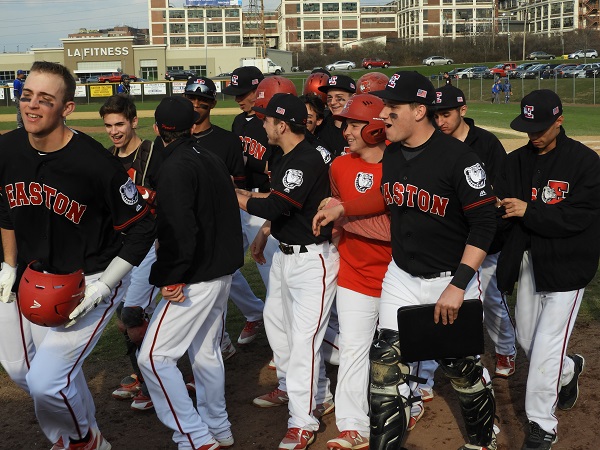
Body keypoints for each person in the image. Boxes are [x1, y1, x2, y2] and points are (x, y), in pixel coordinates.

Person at [313, 71, 498, 450]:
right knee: (385, 366)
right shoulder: (394, 153)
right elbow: (385, 195)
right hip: (400, 274)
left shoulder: (459, 159)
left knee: (460, 369)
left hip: (448, 277)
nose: (384, 117)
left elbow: (484, 225)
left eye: (392, 109)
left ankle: (482, 441)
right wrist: (343, 208)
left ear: (419, 110)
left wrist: (458, 285)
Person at [0, 61, 155, 450]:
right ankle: (84, 435)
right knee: (24, 372)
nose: (32, 106)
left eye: (45, 100)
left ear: (67, 108)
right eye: (27, 96)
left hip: (87, 283)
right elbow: (4, 206)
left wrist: (106, 286)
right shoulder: (7, 148)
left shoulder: (96, 164)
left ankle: (81, 441)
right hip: (30, 275)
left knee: (47, 381)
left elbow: (143, 228)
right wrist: (7, 263)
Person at [137, 96, 244, 450]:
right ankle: (218, 426)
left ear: (156, 130)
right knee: (205, 353)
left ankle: (195, 437)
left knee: (153, 357)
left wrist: (170, 276)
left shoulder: (174, 167)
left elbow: (179, 230)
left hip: (195, 279)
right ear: (192, 125)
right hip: (220, 273)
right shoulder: (209, 157)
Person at [495, 89, 600, 450]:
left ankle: (543, 425)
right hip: (527, 261)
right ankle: (568, 371)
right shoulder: (515, 161)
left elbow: (580, 219)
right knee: (528, 341)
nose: (534, 134)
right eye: (528, 127)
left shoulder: (585, 163)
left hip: (567, 265)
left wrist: (529, 211)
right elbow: (503, 212)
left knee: (545, 348)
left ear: (560, 120)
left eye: (541, 127)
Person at [237, 93, 339, 450]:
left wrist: (232, 193)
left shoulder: (306, 159)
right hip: (285, 256)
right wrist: (265, 233)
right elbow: (281, 211)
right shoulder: (285, 156)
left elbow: (279, 203)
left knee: (304, 343)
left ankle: (303, 420)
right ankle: (313, 394)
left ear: (282, 125)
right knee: (276, 326)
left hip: (313, 261)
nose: (261, 123)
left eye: (266, 119)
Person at [321, 94, 392, 450]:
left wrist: (345, 216)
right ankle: (352, 425)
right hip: (354, 272)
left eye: (353, 124)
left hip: (399, 274)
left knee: (398, 350)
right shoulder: (338, 166)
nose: (345, 129)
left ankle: (405, 400)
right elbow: (336, 206)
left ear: (376, 128)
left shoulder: (401, 162)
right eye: (344, 123)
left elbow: (392, 224)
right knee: (353, 347)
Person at [433, 84, 516, 378]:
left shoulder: (486, 143)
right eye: (435, 115)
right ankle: (451, 360)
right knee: (454, 300)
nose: (439, 121)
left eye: (445, 114)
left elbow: (500, 190)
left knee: (493, 300)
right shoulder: (434, 142)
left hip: (489, 240)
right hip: (452, 239)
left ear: (462, 111)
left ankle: (506, 349)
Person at [182, 76, 266, 351]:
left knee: (267, 268)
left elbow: (237, 181)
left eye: (202, 101)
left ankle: (278, 331)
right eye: (191, 100)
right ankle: (253, 315)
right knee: (222, 266)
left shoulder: (228, 138)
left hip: (250, 205)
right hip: (218, 211)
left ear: (211, 104)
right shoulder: (239, 123)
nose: (196, 106)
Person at [99, 93, 162, 412]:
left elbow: (171, 196)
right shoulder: (107, 157)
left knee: (132, 317)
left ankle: (155, 384)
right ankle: (147, 374)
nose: (114, 130)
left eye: (120, 123)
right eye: (108, 125)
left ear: (133, 121)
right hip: (120, 249)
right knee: (125, 322)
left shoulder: (151, 153)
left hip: (149, 246)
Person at [316, 75, 357, 158]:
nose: (332, 102)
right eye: (329, 98)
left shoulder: (361, 127)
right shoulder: (321, 125)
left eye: (339, 98)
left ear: (353, 98)